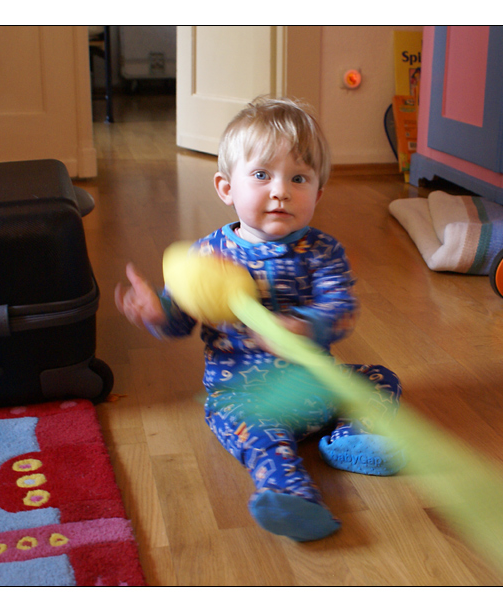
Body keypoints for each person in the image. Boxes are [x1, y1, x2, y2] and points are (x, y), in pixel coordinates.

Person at [115, 96, 405, 542]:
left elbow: (341, 309)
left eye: (299, 178)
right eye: (262, 175)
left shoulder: (323, 251)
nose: (281, 190)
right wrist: (159, 310)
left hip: (315, 385)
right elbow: (179, 321)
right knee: (264, 440)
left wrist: (307, 325)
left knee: (380, 376)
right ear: (226, 187)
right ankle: (292, 497)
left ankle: (354, 438)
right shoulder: (207, 256)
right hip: (245, 398)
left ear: (319, 193)